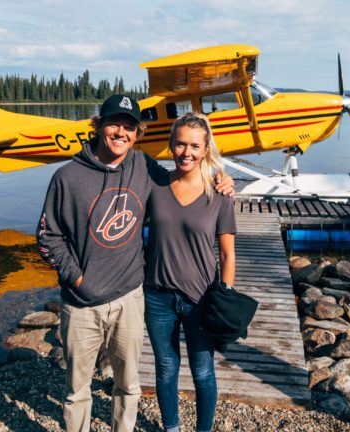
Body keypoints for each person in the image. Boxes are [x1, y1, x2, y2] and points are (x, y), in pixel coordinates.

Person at [36, 95, 233, 432]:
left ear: (138, 133)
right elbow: (47, 236)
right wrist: (78, 280)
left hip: (133, 297)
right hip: (89, 301)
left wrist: (223, 181)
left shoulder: (143, 167)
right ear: (99, 126)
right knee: (77, 391)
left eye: (129, 127)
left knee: (130, 386)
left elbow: (186, 184)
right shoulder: (68, 177)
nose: (121, 132)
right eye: (114, 123)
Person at [143, 112, 236, 432]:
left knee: (203, 371)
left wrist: (223, 298)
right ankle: (171, 427)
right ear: (170, 146)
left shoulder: (220, 193)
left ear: (206, 148)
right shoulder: (155, 186)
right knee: (166, 369)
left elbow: (227, 254)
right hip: (157, 298)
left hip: (201, 299)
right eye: (180, 144)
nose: (186, 152)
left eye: (195, 146)